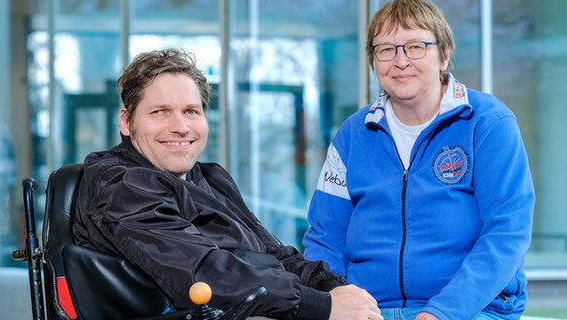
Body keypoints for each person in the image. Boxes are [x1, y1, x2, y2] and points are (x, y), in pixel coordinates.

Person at [71, 48, 381, 320]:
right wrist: (321, 306)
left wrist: (334, 289)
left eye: (191, 111)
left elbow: (276, 254)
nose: (180, 127)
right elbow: (203, 273)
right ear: (126, 121)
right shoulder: (122, 184)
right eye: (160, 112)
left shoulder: (209, 178)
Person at [302, 0, 535, 319]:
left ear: (445, 54)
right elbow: (325, 237)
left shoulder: (488, 124)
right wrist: (336, 298)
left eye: (415, 46)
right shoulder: (352, 134)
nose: (400, 61)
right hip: (370, 311)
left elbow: (507, 231)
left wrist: (442, 312)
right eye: (385, 49)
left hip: (472, 310)